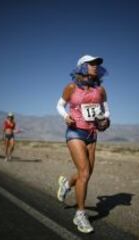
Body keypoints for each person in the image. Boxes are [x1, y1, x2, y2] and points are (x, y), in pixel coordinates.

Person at [56, 54, 110, 233]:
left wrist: (105, 122)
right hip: (75, 131)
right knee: (85, 172)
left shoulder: (100, 90)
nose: (95, 66)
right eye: (91, 63)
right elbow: (59, 105)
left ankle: (66, 185)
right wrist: (66, 116)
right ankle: (80, 214)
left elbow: (106, 112)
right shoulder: (71, 87)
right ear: (82, 67)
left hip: (92, 134)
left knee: (85, 173)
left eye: (97, 64)